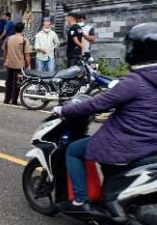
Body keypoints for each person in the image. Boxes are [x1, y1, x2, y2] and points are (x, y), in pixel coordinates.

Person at [53, 22, 157, 214]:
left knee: (74, 150)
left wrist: (63, 110)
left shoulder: (134, 82)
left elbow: (96, 105)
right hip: (151, 143)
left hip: (128, 141)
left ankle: (80, 201)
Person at [2, 22, 31, 105]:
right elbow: (27, 55)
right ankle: (14, 101)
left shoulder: (8, 39)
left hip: (9, 64)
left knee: (8, 82)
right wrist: (28, 65)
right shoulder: (24, 40)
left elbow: (4, 52)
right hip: (19, 66)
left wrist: (4, 62)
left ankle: (6, 99)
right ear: (23, 30)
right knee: (17, 84)